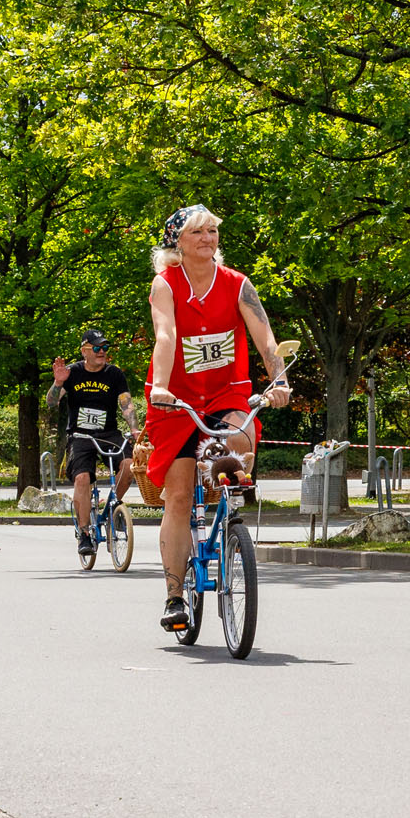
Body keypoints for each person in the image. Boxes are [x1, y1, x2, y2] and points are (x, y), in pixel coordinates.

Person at [146, 204, 291, 631]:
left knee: (240, 438)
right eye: (198, 232)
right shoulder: (166, 285)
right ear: (178, 242)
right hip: (176, 399)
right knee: (177, 495)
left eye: (212, 231)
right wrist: (160, 387)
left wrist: (278, 380)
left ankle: (227, 504)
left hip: (227, 392)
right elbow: (166, 334)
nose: (208, 238)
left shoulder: (238, 284)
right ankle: (175, 596)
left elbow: (265, 338)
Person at [47, 329, 141, 564]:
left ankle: (111, 508)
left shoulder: (115, 374)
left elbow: (126, 404)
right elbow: (51, 402)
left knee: (129, 465)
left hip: (108, 433)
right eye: (97, 348)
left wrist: (134, 429)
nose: (102, 353)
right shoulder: (74, 372)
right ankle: (85, 533)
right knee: (82, 479)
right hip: (80, 435)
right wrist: (58, 383)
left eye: (105, 348)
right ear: (84, 350)